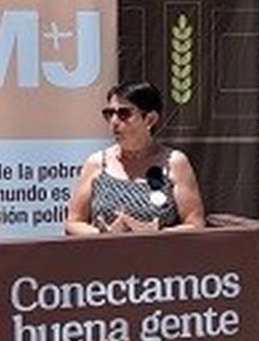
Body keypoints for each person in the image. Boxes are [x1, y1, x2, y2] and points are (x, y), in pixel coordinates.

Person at [64, 80, 206, 235]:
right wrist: (103, 234)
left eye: (124, 114)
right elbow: (73, 222)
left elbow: (195, 223)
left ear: (150, 119)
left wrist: (156, 234)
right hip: (106, 256)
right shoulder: (97, 162)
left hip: (158, 256)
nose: (114, 122)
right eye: (109, 114)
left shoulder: (174, 163)